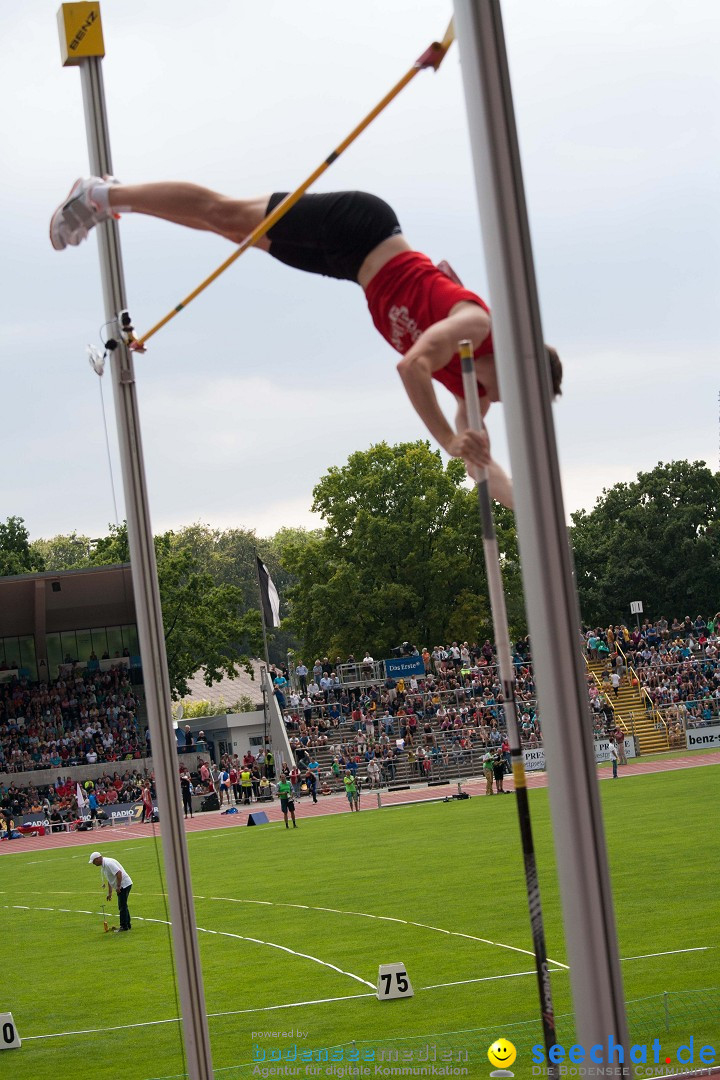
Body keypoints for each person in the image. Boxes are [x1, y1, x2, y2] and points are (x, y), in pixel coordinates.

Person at [49, 180, 562, 507]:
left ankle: (119, 197)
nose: (491, 401)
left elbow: (479, 462)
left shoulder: (472, 380)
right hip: (362, 228)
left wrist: (529, 507)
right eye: (502, 392)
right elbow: (412, 368)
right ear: (515, 364)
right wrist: (450, 440)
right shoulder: (473, 326)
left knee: (231, 232)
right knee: (224, 212)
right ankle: (102, 196)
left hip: (350, 268)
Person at [89, 851, 133, 931]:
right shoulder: (104, 865)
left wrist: (119, 886)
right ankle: (127, 924)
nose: (93, 864)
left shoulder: (109, 863)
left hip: (124, 884)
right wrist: (110, 893)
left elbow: (119, 873)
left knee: (122, 906)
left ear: (98, 859)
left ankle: (124, 926)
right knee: (123, 905)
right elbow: (110, 879)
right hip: (122, 885)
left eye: (94, 861)